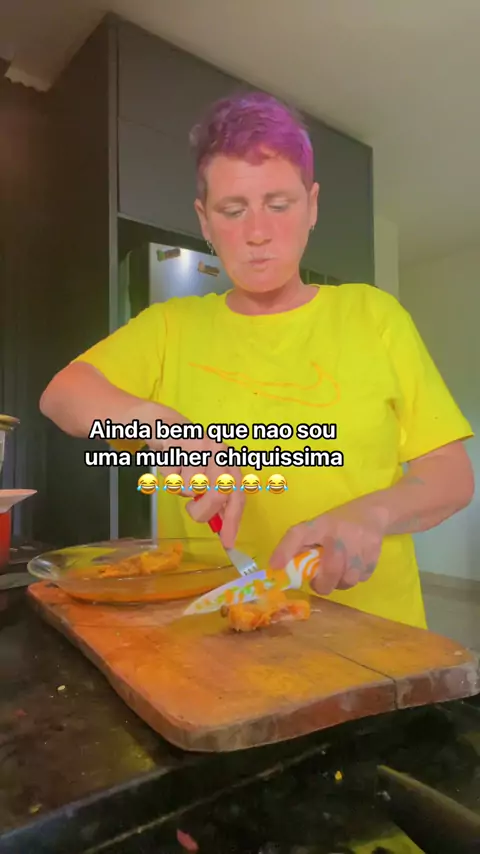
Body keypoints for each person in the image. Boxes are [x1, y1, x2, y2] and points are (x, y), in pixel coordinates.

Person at [39, 91, 474, 630]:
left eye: (279, 204)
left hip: (377, 638)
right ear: (204, 220)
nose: (258, 233)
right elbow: (62, 395)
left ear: (312, 206)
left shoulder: (374, 316)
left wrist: (373, 513)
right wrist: (165, 429)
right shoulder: (170, 326)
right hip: (216, 639)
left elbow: (451, 476)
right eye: (233, 210)